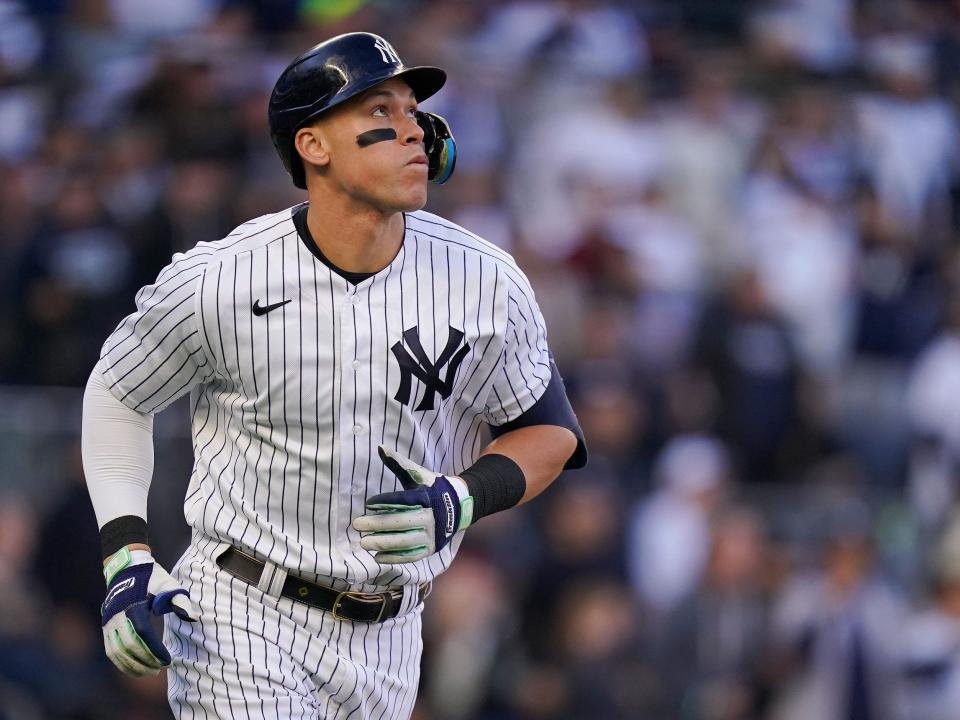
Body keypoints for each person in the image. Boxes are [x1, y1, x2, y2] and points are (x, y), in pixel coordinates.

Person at [81, 32, 586, 718]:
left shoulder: (485, 280)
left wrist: (462, 498)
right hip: (242, 613)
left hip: (392, 636)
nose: (414, 131)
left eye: (414, 112)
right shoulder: (220, 278)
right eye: (380, 113)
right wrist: (124, 555)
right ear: (313, 146)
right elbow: (118, 393)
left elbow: (549, 432)